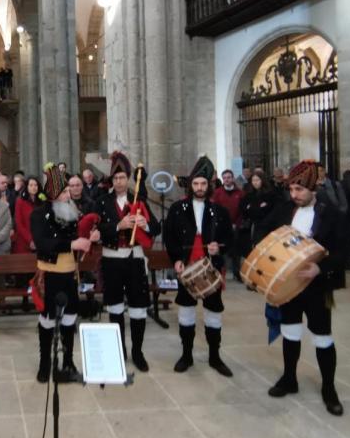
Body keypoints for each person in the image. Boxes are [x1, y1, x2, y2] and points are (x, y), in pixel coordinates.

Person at [256, 160, 348, 416]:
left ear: (312, 189)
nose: (294, 195)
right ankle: (289, 379)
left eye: (299, 190)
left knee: (322, 337)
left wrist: (322, 267)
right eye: (292, 190)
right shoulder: (285, 209)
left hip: (317, 286)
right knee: (291, 332)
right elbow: (263, 229)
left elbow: (343, 249)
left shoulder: (331, 213)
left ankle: (329, 388)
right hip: (289, 285)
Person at [163, 157, 234, 377]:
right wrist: (176, 259)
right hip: (187, 269)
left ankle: (215, 356)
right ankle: (186, 355)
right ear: (190, 185)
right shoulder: (177, 209)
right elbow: (170, 237)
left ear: (209, 185)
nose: (200, 188)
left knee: (214, 314)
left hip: (210, 270)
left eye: (203, 184)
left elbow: (229, 240)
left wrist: (218, 248)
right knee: (186, 314)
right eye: (196, 184)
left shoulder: (219, 211)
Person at [96, 151, 160, 372]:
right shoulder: (102, 202)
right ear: (111, 180)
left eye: (122, 178)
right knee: (114, 307)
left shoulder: (139, 200)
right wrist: (117, 226)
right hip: (112, 259)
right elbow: (97, 230)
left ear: (128, 179)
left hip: (135, 259)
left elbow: (156, 228)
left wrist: (144, 224)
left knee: (138, 307)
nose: (119, 181)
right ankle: (119, 349)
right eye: (115, 178)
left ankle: (137, 352)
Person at [31, 163, 95, 383]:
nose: (69, 194)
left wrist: (89, 240)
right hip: (49, 275)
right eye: (65, 191)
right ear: (53, 194)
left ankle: (68, 360)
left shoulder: (72, 212)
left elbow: (79, 238)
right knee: (48, 320)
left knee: (69, 319)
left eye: (69, 190)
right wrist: (72, 244)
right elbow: (42, 243)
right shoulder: (38, 214)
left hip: (69, 274)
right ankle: (45, 363)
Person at [211, 169, 245, 282]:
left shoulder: (240, 193)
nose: (227, 179)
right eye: (224, 177)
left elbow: (242, 210)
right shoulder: (217, 192)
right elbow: (215, 209)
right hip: (221, 226)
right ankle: (220, 274)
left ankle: (237, 273)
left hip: (235, 226)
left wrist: (237, 223)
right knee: (221, 250)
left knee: (236, 251)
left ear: (233, 178)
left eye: (229, 177)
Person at [241, 170, 279, 254]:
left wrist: (252, 208)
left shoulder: (270, 194)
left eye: (257, 180)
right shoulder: (249, 194)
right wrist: (257, 207)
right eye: (253, 180)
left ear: (262, 180)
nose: (255, 183)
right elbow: (244, 208)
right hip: (252, 227)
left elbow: (270, 209)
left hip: (266, 227)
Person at [13, 176, 42, 253]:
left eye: (36, 185)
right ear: (27, 187)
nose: (34, 187)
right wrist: (30, 239)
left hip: (40, 240)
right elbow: (19, 223)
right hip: (24, 241)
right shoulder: (20, 201)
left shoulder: (42, 202)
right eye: (31, 185)